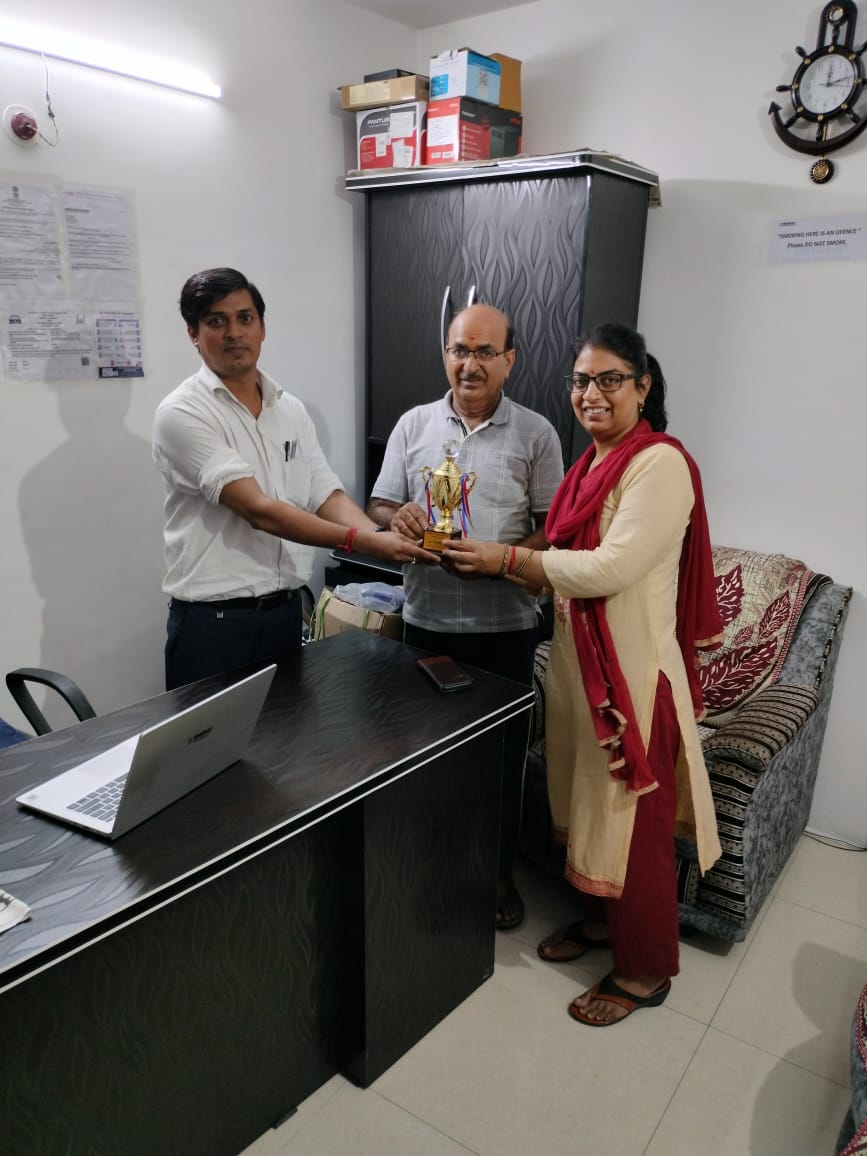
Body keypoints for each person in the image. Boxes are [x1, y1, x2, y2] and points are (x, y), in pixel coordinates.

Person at [444, 321, 723, 1023]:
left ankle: (645, 970)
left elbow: (610, 568)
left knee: (635, 828)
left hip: (633, 681)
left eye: (608, 380)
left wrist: (509, 561)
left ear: (642, 387)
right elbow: (562, 571)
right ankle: (606, 924)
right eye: (579, 380)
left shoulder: (658, 463)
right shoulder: (592, 463)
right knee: (595, 817)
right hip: (584, 674)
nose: (590, 394)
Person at [367, 303, 564, 931]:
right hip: (426, 622)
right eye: (459, 349)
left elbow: (553, 533)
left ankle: (498, 872)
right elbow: (377, 501)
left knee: (501, 763)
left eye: (484, 352)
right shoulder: (414, 424)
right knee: (430, 758)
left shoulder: (536, 434)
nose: (469, 363)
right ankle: (433, 867)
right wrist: (394, 517)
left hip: (504, 629)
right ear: (444, 354)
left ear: (509, 359)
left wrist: (503, 560)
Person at [153, 267, 437, 691]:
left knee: (287, 752)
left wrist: (381, 534)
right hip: (213, 626)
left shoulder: (290, 410)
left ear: (262, 328)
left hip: (285, 615)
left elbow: (325, 493)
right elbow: (260, 511)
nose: (234, 332)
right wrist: (366, 543)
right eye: (217, 321)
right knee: (213, 758)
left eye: (245, 318)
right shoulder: (182, 413)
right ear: (193, 333)